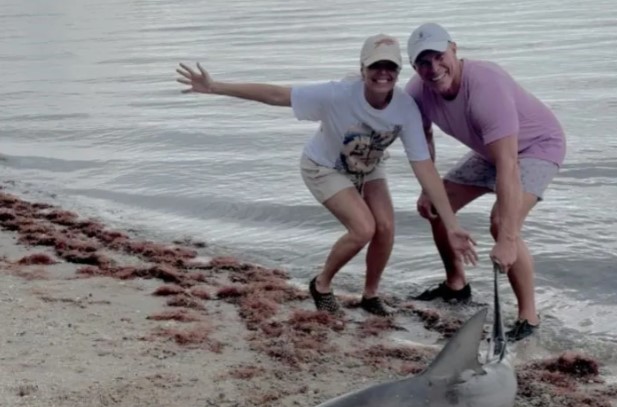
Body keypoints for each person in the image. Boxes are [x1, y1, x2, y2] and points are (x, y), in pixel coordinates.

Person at [176, 33, 477, 316]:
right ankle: (321, 285)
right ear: (362, 69)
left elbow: (424, 167)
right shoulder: (337, 95)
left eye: (390, 67)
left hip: (369, 164)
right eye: (375, 66)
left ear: (399, 72)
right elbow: (277, 94)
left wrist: (451, 225)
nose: (382, 74)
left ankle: (370, 296)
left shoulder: (405, 109)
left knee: (385, 226)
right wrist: (216, 87)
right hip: (324, 166)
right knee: (363, 229)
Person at [404, 22, 566, 341]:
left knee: (501, 222)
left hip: (536, 147)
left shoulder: (485, 85)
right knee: (437, 206)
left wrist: (506, 239)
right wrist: (428, 188)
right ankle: (456, 285)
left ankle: (528, 317)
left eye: (438, 56)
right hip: (490, 149)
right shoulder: (417, 92)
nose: (433, 68)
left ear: (454, 49)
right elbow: (424, 140)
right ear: (414, 66)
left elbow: (508, 164)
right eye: (423, 62)